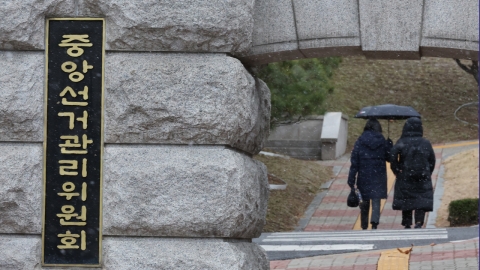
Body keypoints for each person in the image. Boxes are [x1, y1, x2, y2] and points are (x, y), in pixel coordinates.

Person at [390, 117, 435, 229]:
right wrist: (428, 171)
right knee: (421, 198)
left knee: (407, 198)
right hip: (422, 176)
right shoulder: (425, 143)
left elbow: (393, 157)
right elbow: (432, 160)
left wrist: (397, 169)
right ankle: (419, 222)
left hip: (405, 175)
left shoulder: (402, 142)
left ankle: (407, 222)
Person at [348, 118, 393, 230]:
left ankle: (364, 225)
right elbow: (389, 158)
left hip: (364, 175)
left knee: (364, 200)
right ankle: (374, 223)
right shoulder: (382, 140)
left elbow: (354, 162)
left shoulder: (360, 141)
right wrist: (389, 145)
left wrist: (351, 180)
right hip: (378, 175)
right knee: (376, 199)